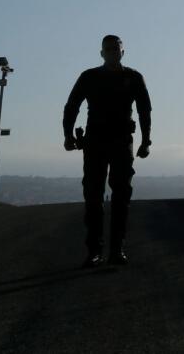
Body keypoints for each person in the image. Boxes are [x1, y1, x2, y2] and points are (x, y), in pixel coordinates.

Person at [63, 34, 152, 268]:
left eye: (116, 49)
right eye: (109, 49)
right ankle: (94, 250)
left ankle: (116, 249)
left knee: (121, 197)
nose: (113, 52)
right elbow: (72, 106)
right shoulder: (89, 77)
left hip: (122, 141)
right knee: (93, 197)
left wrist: (146, 141)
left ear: (123, 52)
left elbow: (145, 110)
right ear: (102, 53)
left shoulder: (133, 77)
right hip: (95, 141)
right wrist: (68, 134)